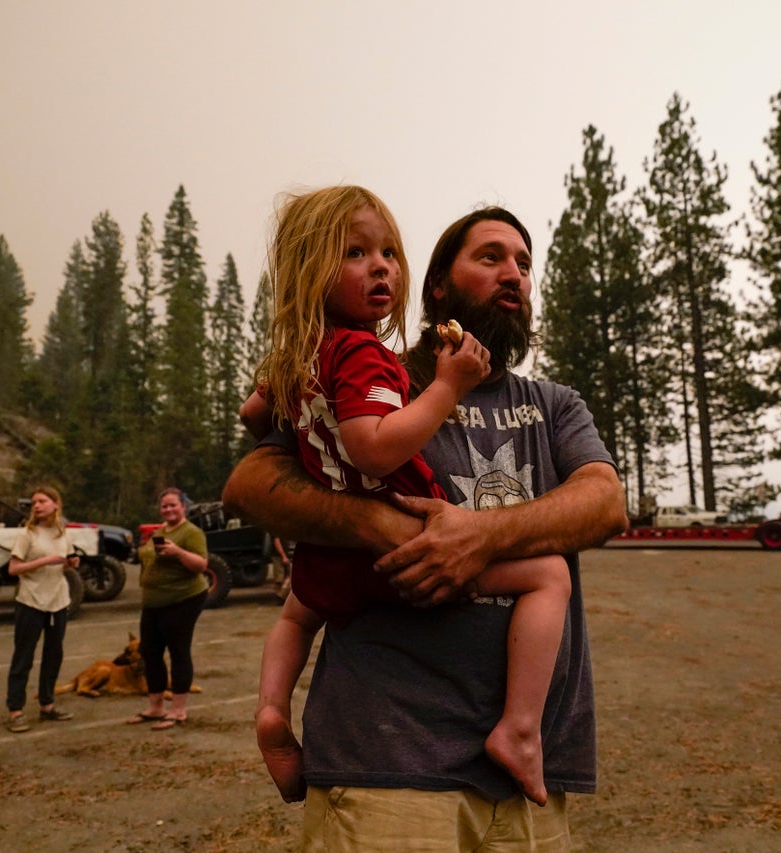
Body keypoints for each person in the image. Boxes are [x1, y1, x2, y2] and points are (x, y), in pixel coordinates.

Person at [224, 206, 627, 849]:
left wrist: (481, 535)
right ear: (436, 284)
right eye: (491, 257)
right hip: (387, 760)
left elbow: (605, 504)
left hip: (530, 776)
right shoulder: (371, 376)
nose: (514, 274)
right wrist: (379, 525)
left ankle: (515, 727)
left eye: (524, 263)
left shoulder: (553, 405)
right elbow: (248, 484)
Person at [126, 487, 210, 730]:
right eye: (164, 506)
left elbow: (201, 565)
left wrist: (177, 552)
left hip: (183, 599)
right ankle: (156, 707)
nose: (169, 509)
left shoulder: (191, 532)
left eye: (173, 505)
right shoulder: (159, 532)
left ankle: (178, 710)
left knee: (178, 651)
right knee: (150, 653)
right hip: (153, 602)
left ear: (183, 506)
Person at [5, 486, 79, 734]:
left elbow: (65, 565)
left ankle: (47, 705)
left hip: (57, 601)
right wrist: (45, 561)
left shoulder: (62, 533)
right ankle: (15, 711)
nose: (37, 506)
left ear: (56, 505)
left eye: (43, 501)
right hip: (31, 601)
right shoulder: (28, 534)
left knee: (53, 654)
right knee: (24, 656)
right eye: (34, 502)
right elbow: (13, 569)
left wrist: (70, 563)